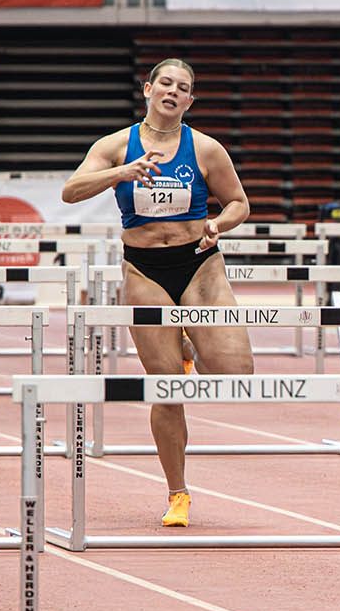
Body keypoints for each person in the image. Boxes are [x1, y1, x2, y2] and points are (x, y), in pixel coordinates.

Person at [62, 58, 254, 528]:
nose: (172, 91)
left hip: (199, 263)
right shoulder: (115, 146)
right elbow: (71, 190)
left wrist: (219, 223)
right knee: (166, 388)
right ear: (148, 89)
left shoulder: (205, 148)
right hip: (144, 270)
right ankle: (178, 493)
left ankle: (190, 342)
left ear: (190, 100)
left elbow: (239, 203)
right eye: (165, 83)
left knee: (236, 373)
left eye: (182, 87)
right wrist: (121, 173)